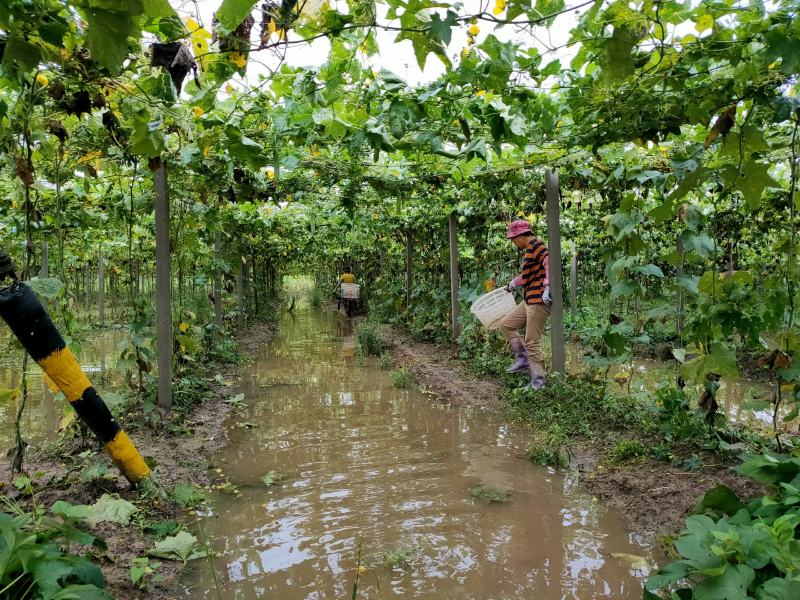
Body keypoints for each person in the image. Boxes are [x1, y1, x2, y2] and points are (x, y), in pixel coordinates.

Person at [498, 220, 551, 390]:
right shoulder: (530, 250)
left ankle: (538, 383)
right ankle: (522, 360)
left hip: (538, 300)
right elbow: (526, 275)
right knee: (506, 324)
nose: (514, 242)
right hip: (529, 298)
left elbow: (548, 263)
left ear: (521, 236)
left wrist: (548, 287)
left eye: (514, 239)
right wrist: (513, 283)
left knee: (532, 342)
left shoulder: (538, 246)